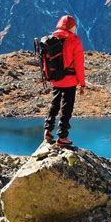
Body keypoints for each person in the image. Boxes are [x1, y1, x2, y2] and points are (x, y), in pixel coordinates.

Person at [44, 15, 85, 146]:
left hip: (56, 79)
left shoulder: (52, 39)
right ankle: (62, 137)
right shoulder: (74, 41)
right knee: (66, 108)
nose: (75, 29)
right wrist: (82, 84)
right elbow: (79, 64)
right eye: (74, 27)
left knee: (54, 104)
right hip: (70, 81)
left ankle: (48, 130)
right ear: (71, 27)